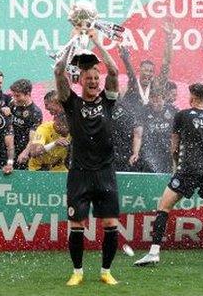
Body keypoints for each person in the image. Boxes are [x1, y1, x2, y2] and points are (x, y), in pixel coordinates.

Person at [134, 83, 203, 268]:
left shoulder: (182, 116)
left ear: (192, 97)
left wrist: (176, 165)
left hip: (187, 170)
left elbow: (174, 147)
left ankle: (154, 253)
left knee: (163, 208)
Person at [55, 28, 121, 286]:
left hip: (105, 172)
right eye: (89, 78)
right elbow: (59, 71)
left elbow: (114, 71)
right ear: (81, 80)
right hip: (79, 173)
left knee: (110, 223)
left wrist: (95, 41)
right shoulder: (71, 103)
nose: (94, 81)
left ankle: (105, 271)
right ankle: (78, 272)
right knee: (77, 224)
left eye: (96, 77)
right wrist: (73, 40)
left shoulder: (107, 101)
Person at [120, 23, 173, 107]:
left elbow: (166, 63)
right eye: (145, 70)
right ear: (139, 70)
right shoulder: (133, 86)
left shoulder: (156, 87)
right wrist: (126, 59)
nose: (148, 73)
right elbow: (130, 73)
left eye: (151, 71)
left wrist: (169, 39)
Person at [8, 78, 43, 169]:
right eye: (14, 96)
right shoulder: (12, 104)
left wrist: (25, 152)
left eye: (18, 96)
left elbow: (33, 137)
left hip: (22, 153)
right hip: (9, 151)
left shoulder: (35, 113)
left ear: (28, 94)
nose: (15, 99)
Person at [139, 90, 177, 173]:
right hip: (149, 149)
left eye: (158, 100)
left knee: (166, 174)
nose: (155, 103)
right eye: (153, 99)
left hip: (167, 150)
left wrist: (175, 148)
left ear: (164, 99)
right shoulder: (144, 110)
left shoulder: (173, 110)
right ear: (149, 98)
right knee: (149, 173)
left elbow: (178, 132)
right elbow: (138, 133)